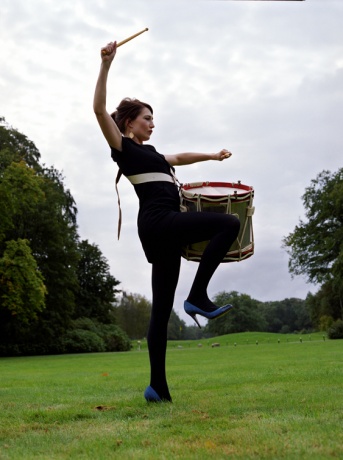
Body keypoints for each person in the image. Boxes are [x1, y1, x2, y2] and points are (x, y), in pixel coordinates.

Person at [93, 40, 240, 403]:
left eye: (154, 119)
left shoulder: (154, 154)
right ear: (130, 122)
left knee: (160, 310)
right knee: (228, 225)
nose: (153, 124)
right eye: (147, 118)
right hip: (160, 222)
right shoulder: (123, 148)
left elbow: (181, 156)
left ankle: (157, 386)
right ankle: (197, 297)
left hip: (162, 230)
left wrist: (211, 155)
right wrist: (106, 65)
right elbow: (98, 109)